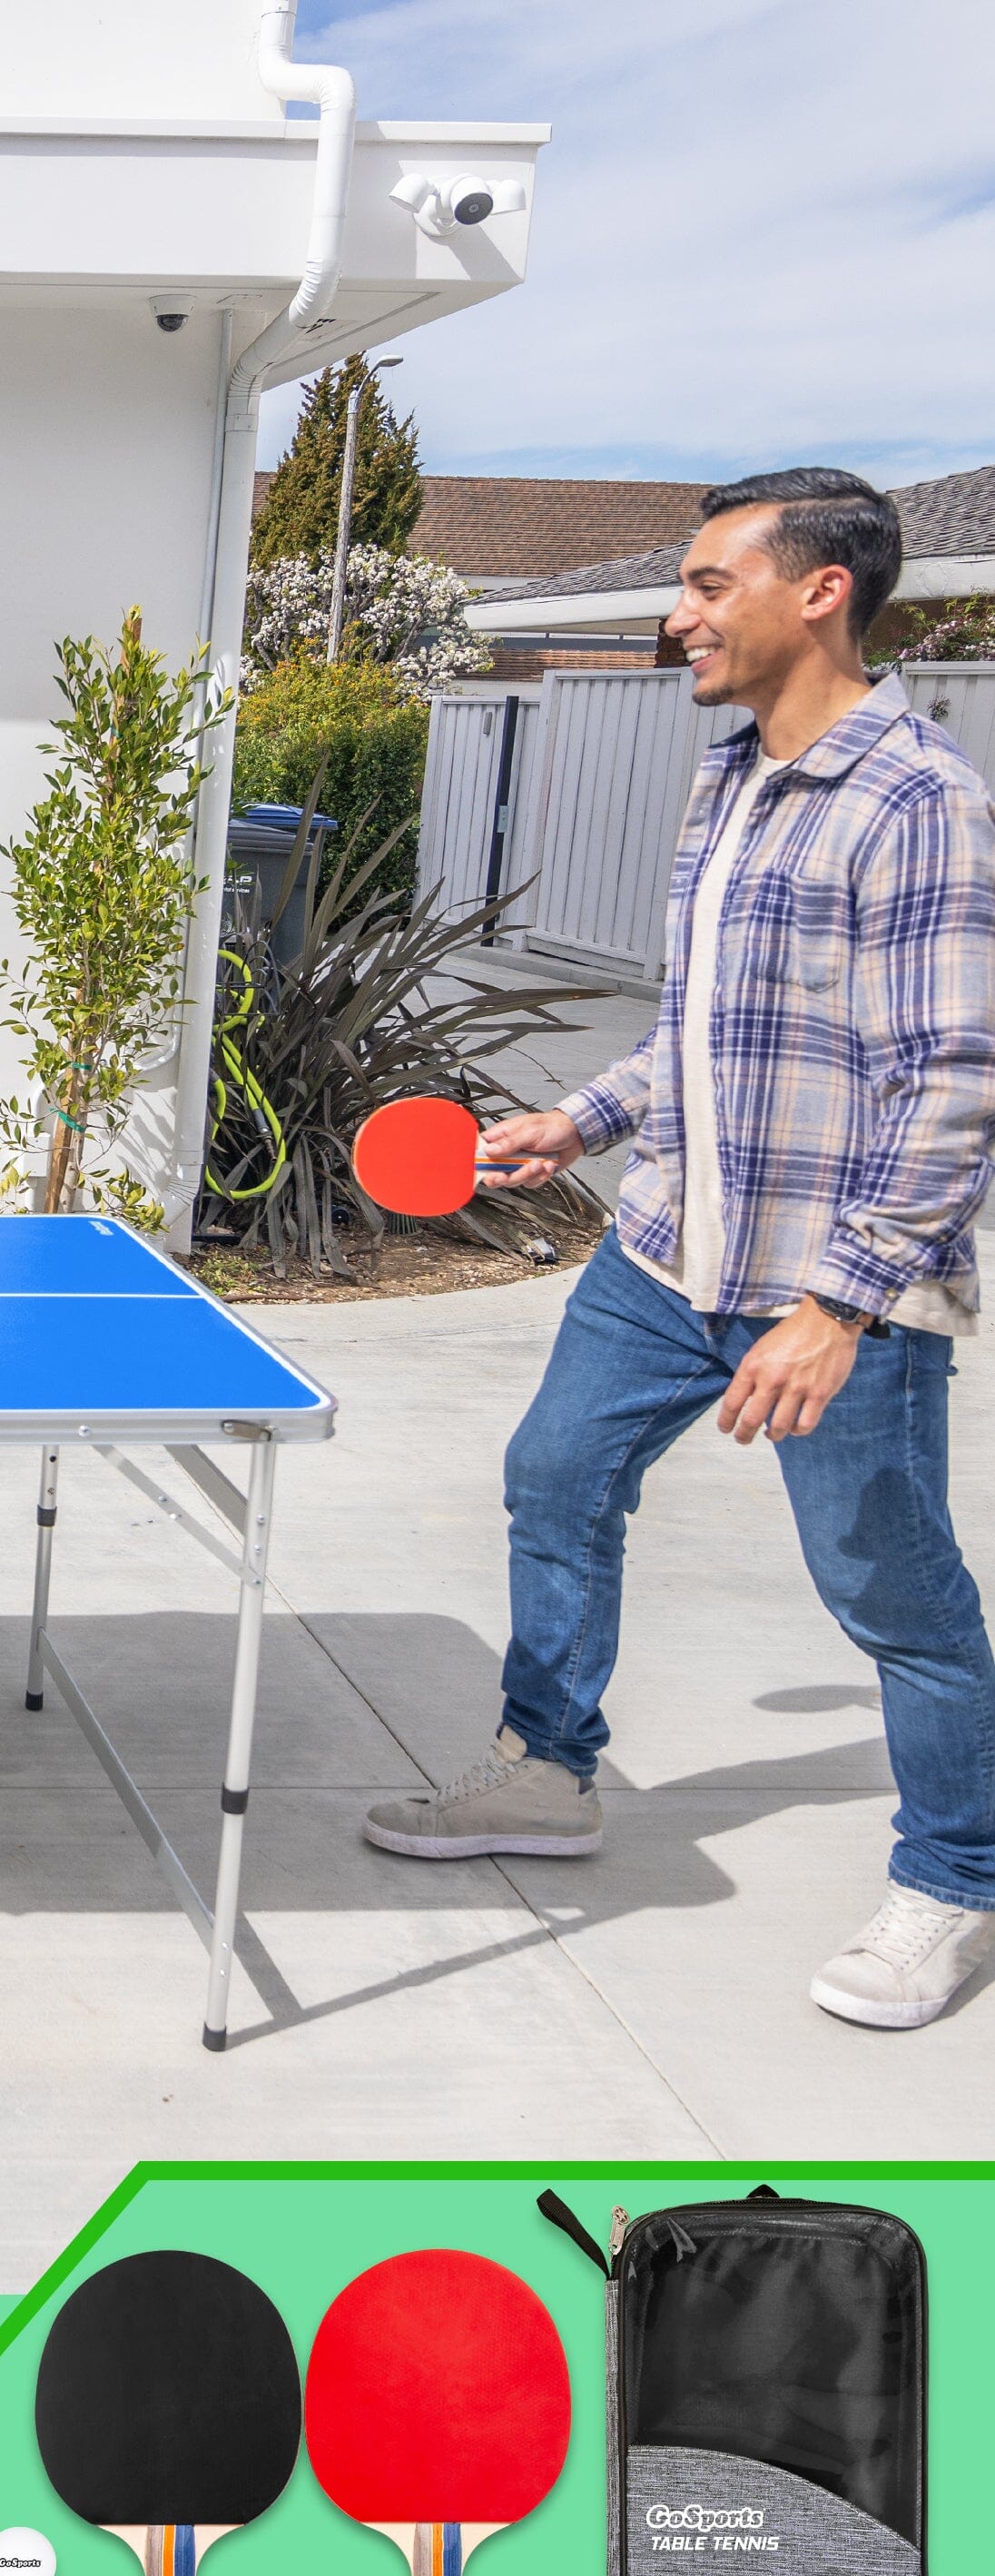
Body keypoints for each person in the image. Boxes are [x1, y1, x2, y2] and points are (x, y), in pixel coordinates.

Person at [366, 469, 995, 2027]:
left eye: (712, 584)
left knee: (890, 1592)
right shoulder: (726, 777)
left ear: (822, 591)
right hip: (661, 1252)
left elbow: (954, 1077)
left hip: (821, 1280)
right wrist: (579, 1123)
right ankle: (546, 1772)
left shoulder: (923, 801)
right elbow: (705, 1032)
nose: (681, 611)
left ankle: (957, 1884)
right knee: (557, 1476)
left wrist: (841, 1306)